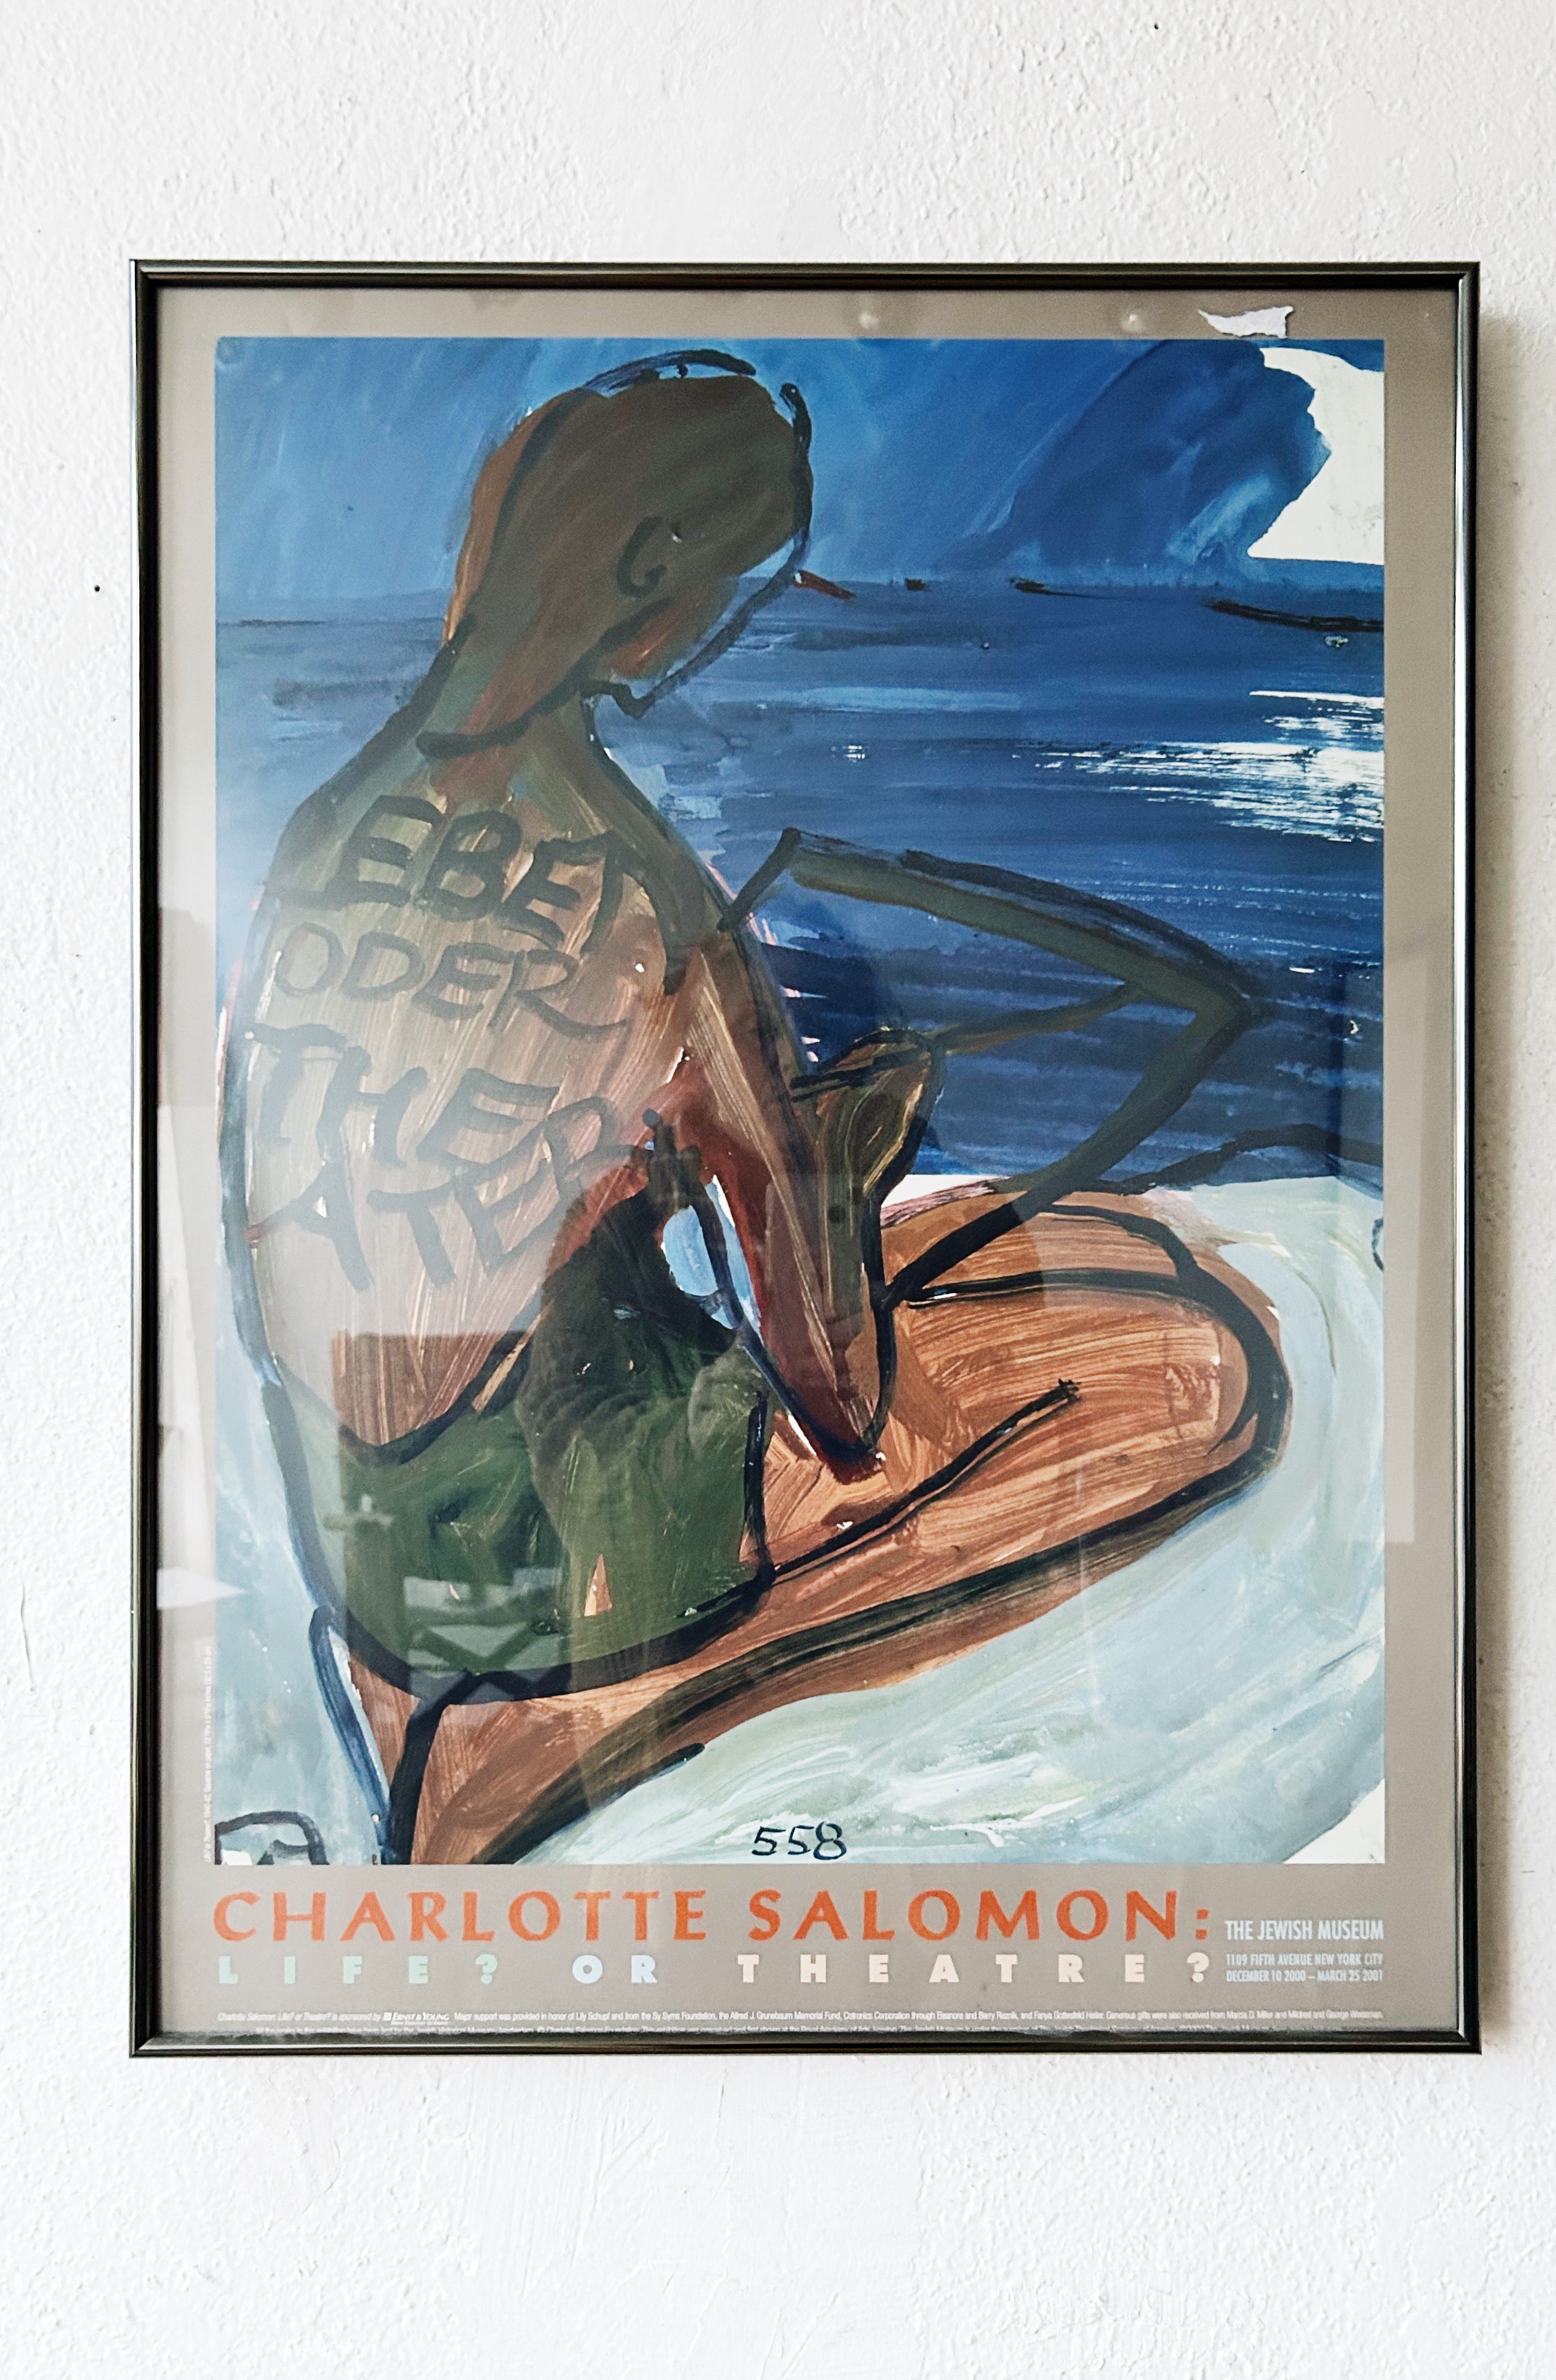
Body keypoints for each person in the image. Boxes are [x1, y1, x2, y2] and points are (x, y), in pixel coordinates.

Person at [224, 352, 1287, 1863]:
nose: (722, 627)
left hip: (359, 1522)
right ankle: (559, 1736)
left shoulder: (316, 839)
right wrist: (835, 1164)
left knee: (1066, 1247)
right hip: (548, 1537)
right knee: (1191, 1362)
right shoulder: (648, 904)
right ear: (650, 569)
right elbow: (838, 1401)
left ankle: (450, 1685)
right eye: (731, 587)